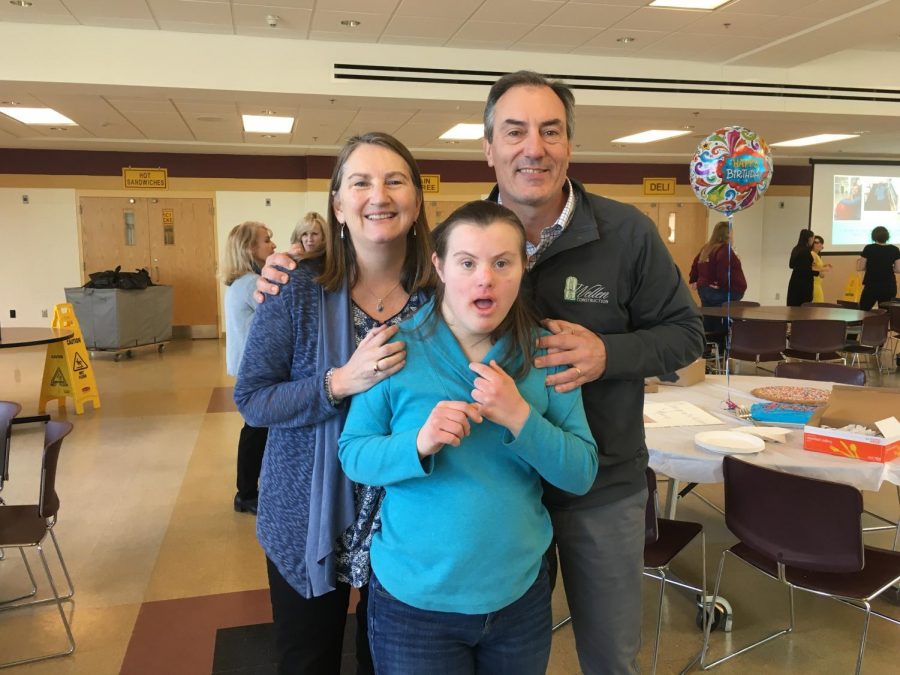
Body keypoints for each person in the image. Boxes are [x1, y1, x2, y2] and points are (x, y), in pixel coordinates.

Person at [256, 71, 704, 675]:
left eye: (551, 131)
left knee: (605, 654)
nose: (533, 148)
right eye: (514, 132)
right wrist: (291, 277)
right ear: (487, 148)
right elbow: (290, 410)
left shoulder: (626, 234)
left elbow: (687, 335)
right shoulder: (419, 279)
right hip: (423, 511)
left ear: (570, 143)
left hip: (588, 483)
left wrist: (607, 355)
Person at [338, 200, 598, 674]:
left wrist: (521, 418)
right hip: (414, 604)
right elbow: (353, 454)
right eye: (467, 263)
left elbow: (581, 473)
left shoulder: (547, 352)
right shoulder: (394, 347)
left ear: (523, 267)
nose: (486, 279)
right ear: (438, 266)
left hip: (518, 597)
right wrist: (417, 443)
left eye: (503, 263)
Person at [234, 132, 436, 674]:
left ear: (416, 202)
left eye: (396, 181)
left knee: (388, 663)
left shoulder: (441, 295)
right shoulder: (294, 288)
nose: (379, 195)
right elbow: (252, 399)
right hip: (307, 515)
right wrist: (337, 383)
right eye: (361, 182)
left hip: (406, 517)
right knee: (308, 661)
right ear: (339, 205)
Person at [223, 221, 276, 514]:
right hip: (255, 370)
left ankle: (248, 489)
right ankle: (245, 493)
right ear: (250, 249)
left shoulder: (240, 282)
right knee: (255, 431)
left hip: (248, 368)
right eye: (267, 241)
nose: (273, 246)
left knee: (257, 430)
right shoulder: (250, 284)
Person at [689, 220, 747, 335]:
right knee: (722, 318)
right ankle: (721, 346)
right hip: (724, 292)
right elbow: (723, 268)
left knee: (709, 316)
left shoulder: (707, 248)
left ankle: (709, 346)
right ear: (728, 234)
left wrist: (694, 280)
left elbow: (696, 263)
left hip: (705, 289)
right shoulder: (724, 249)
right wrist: (721, 284)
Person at [857, 225, 900, 310]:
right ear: (887, 236)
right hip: (889, 285)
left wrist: (870, 267)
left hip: (871, 285)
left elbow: (860, 267)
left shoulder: (869, 248)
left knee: (863, 310)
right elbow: (898, 269)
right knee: (886, 313)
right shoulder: (894, 249)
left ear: (873, 236)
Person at [786, 228, 816, 307]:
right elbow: (806, 270)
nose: (813, 241)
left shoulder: (796, 249)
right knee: (803, 310)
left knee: (793, 309)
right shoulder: (805, 251)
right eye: (813, 238)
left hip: (794, 282)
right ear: (809, 238)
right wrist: (818, 271)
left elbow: (791, 265)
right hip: (803, 285)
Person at [811, 235, 832, 303]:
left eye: (820, 243)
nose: (819, 244)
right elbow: (812, 268)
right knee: (817, 306)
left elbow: (817, 266)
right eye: (816, 242)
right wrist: (824, 269)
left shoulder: (816, 255)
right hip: (814, 284)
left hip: (817, 284)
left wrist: (824, 266)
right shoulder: (812, 254)